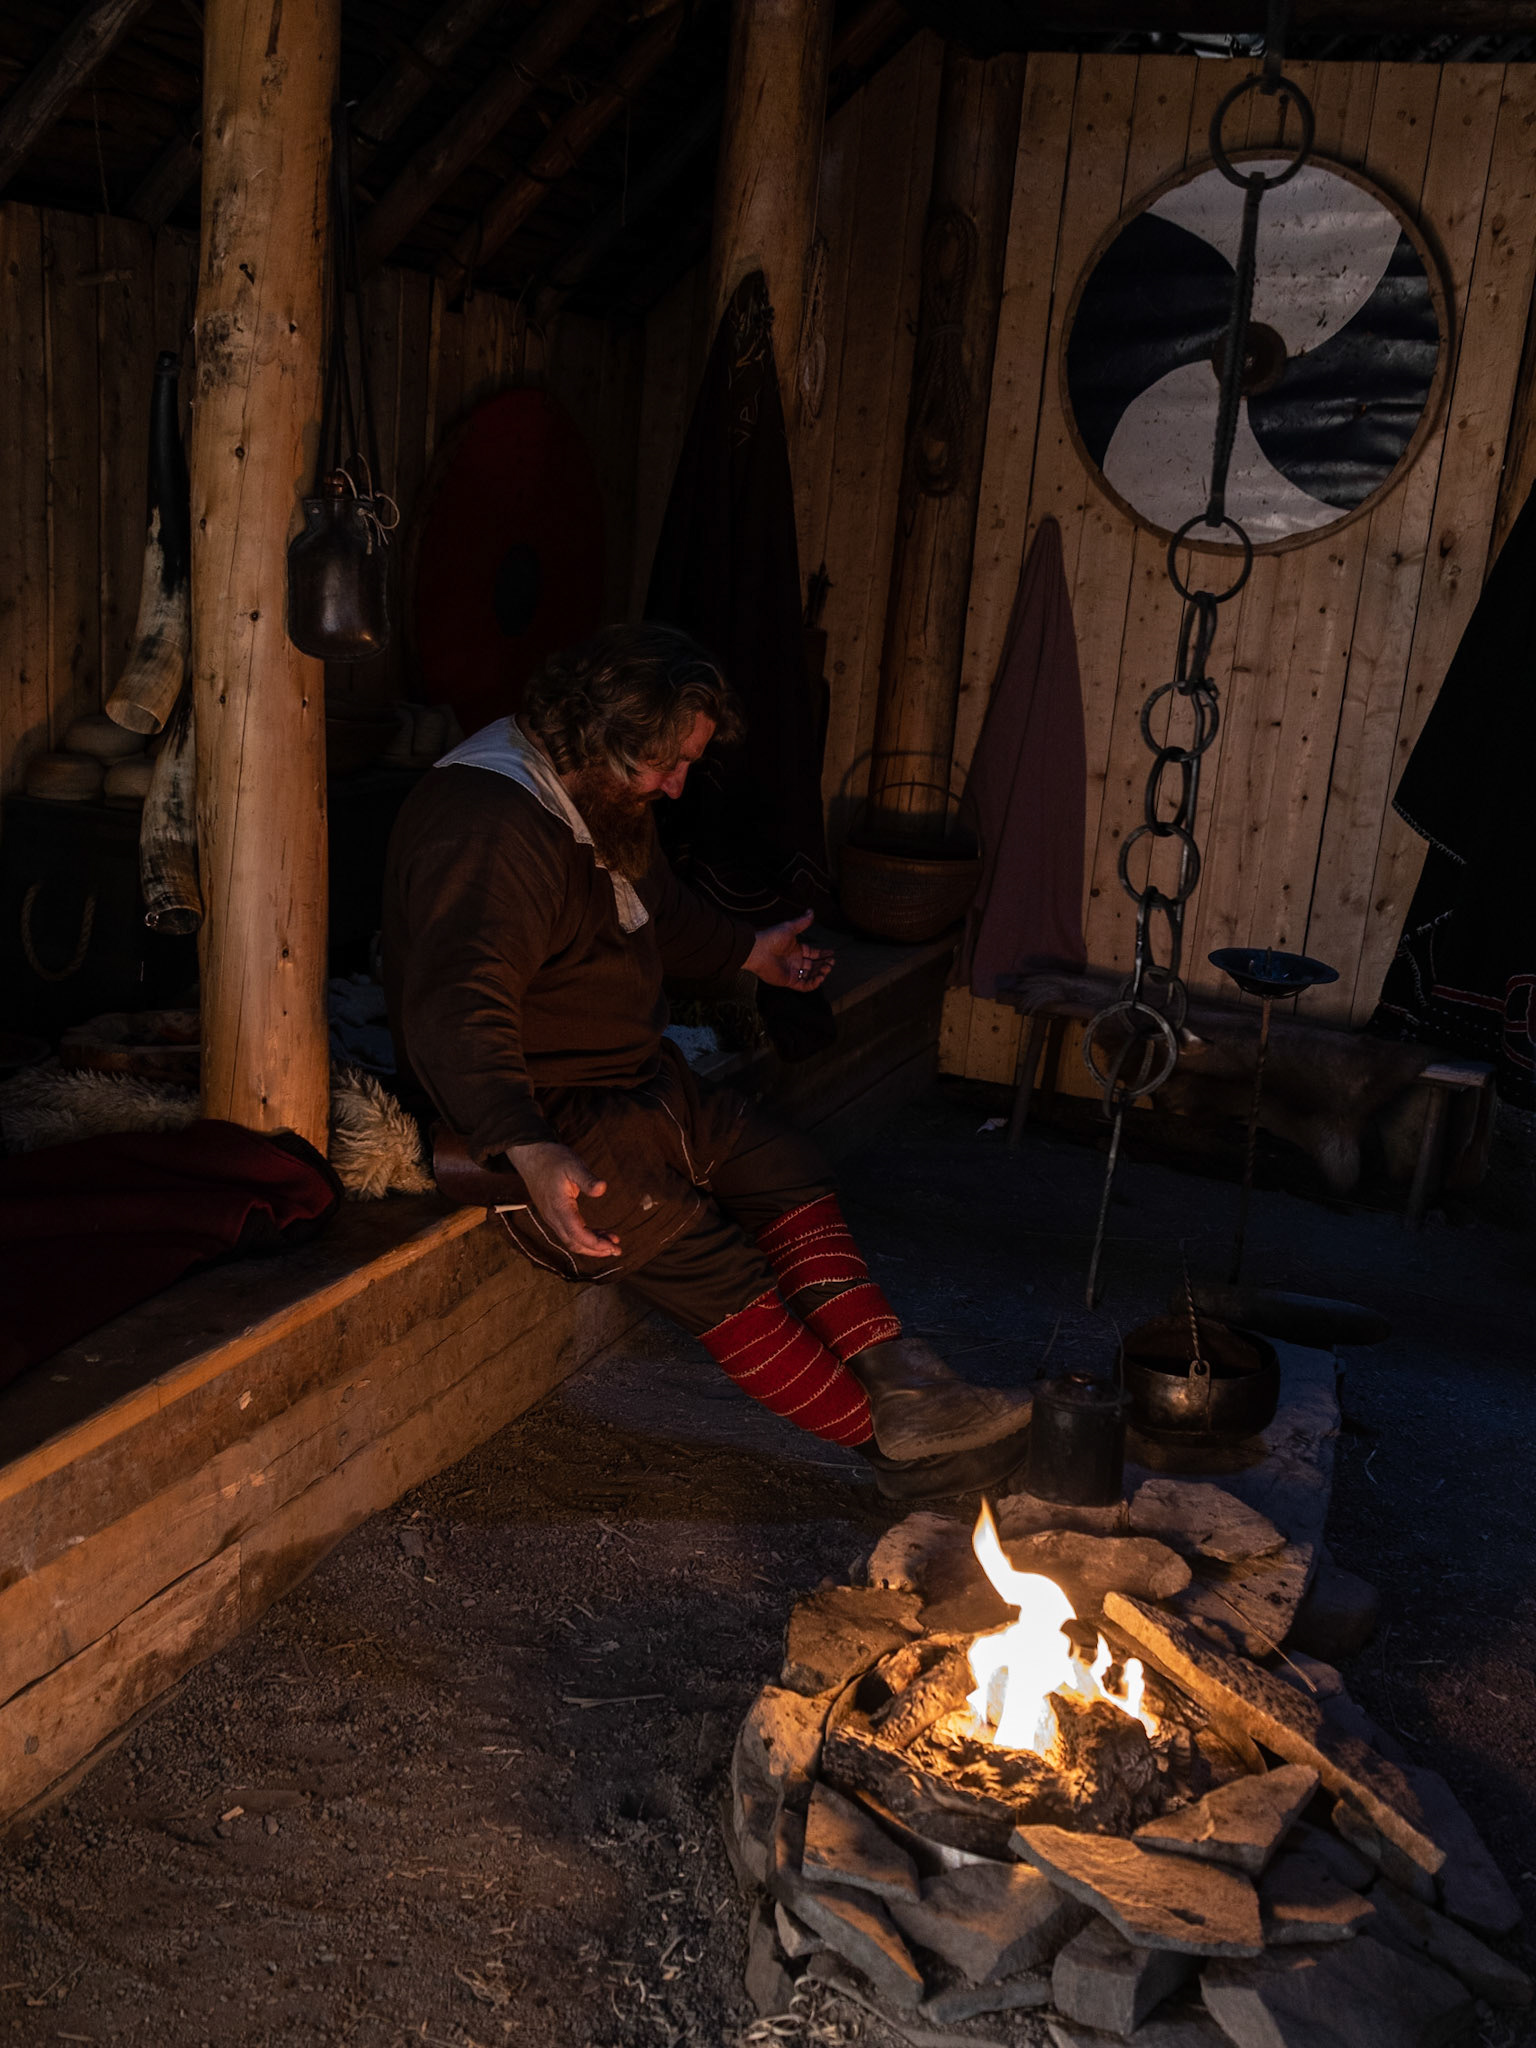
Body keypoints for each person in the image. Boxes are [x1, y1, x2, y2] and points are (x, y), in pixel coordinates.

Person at [382, 624, 1031, 1497]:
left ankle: (910, 1390)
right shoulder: (490, 828)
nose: (679, 784)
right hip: (543, 1108)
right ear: (593, 734)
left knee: (784, 1164)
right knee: (711, 1262)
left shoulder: (602, 796)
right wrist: (527, 1147)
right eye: (664, 764)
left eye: (684, 762)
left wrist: (750, 952)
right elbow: (457, 1005)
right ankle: (891, 1449)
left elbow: (655, 908)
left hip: (634, 1080)